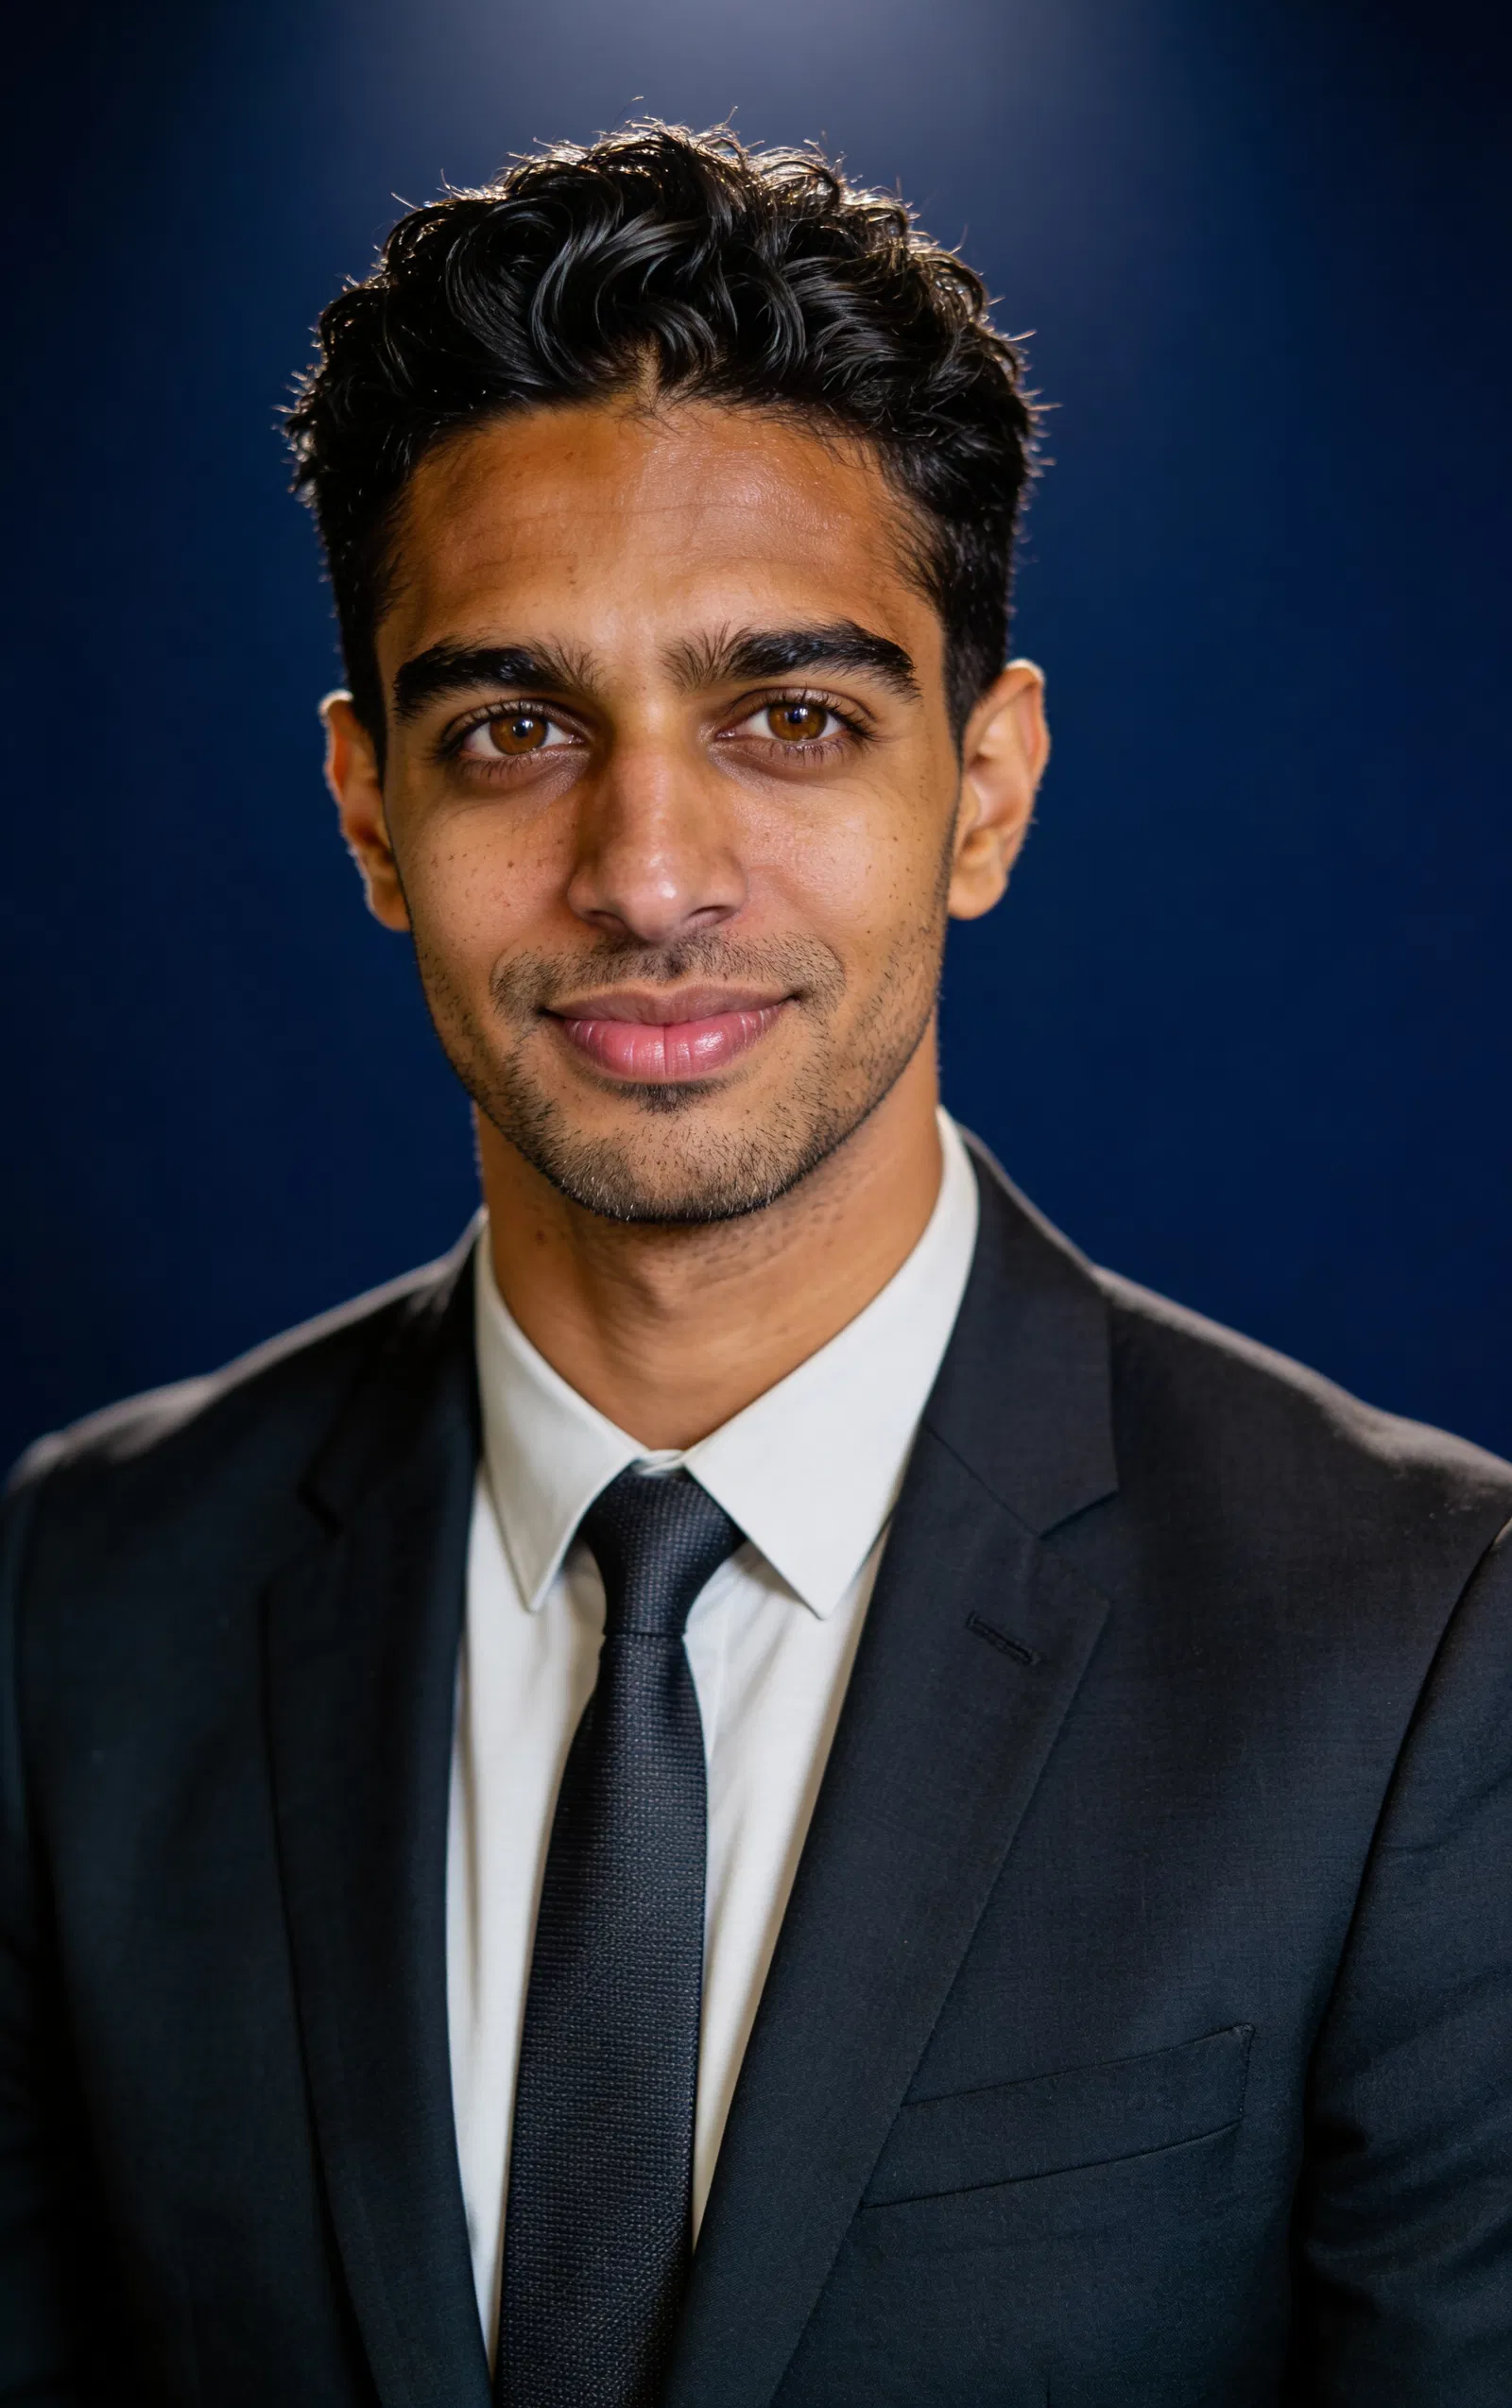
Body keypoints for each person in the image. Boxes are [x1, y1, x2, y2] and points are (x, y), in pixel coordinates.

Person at [3, 123, 1510, 2408]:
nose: (644, 869)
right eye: (512, 728)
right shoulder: (74, 1603)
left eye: (786, 718)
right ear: (365, 811)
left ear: (983, 788)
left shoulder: (1419, 1640)